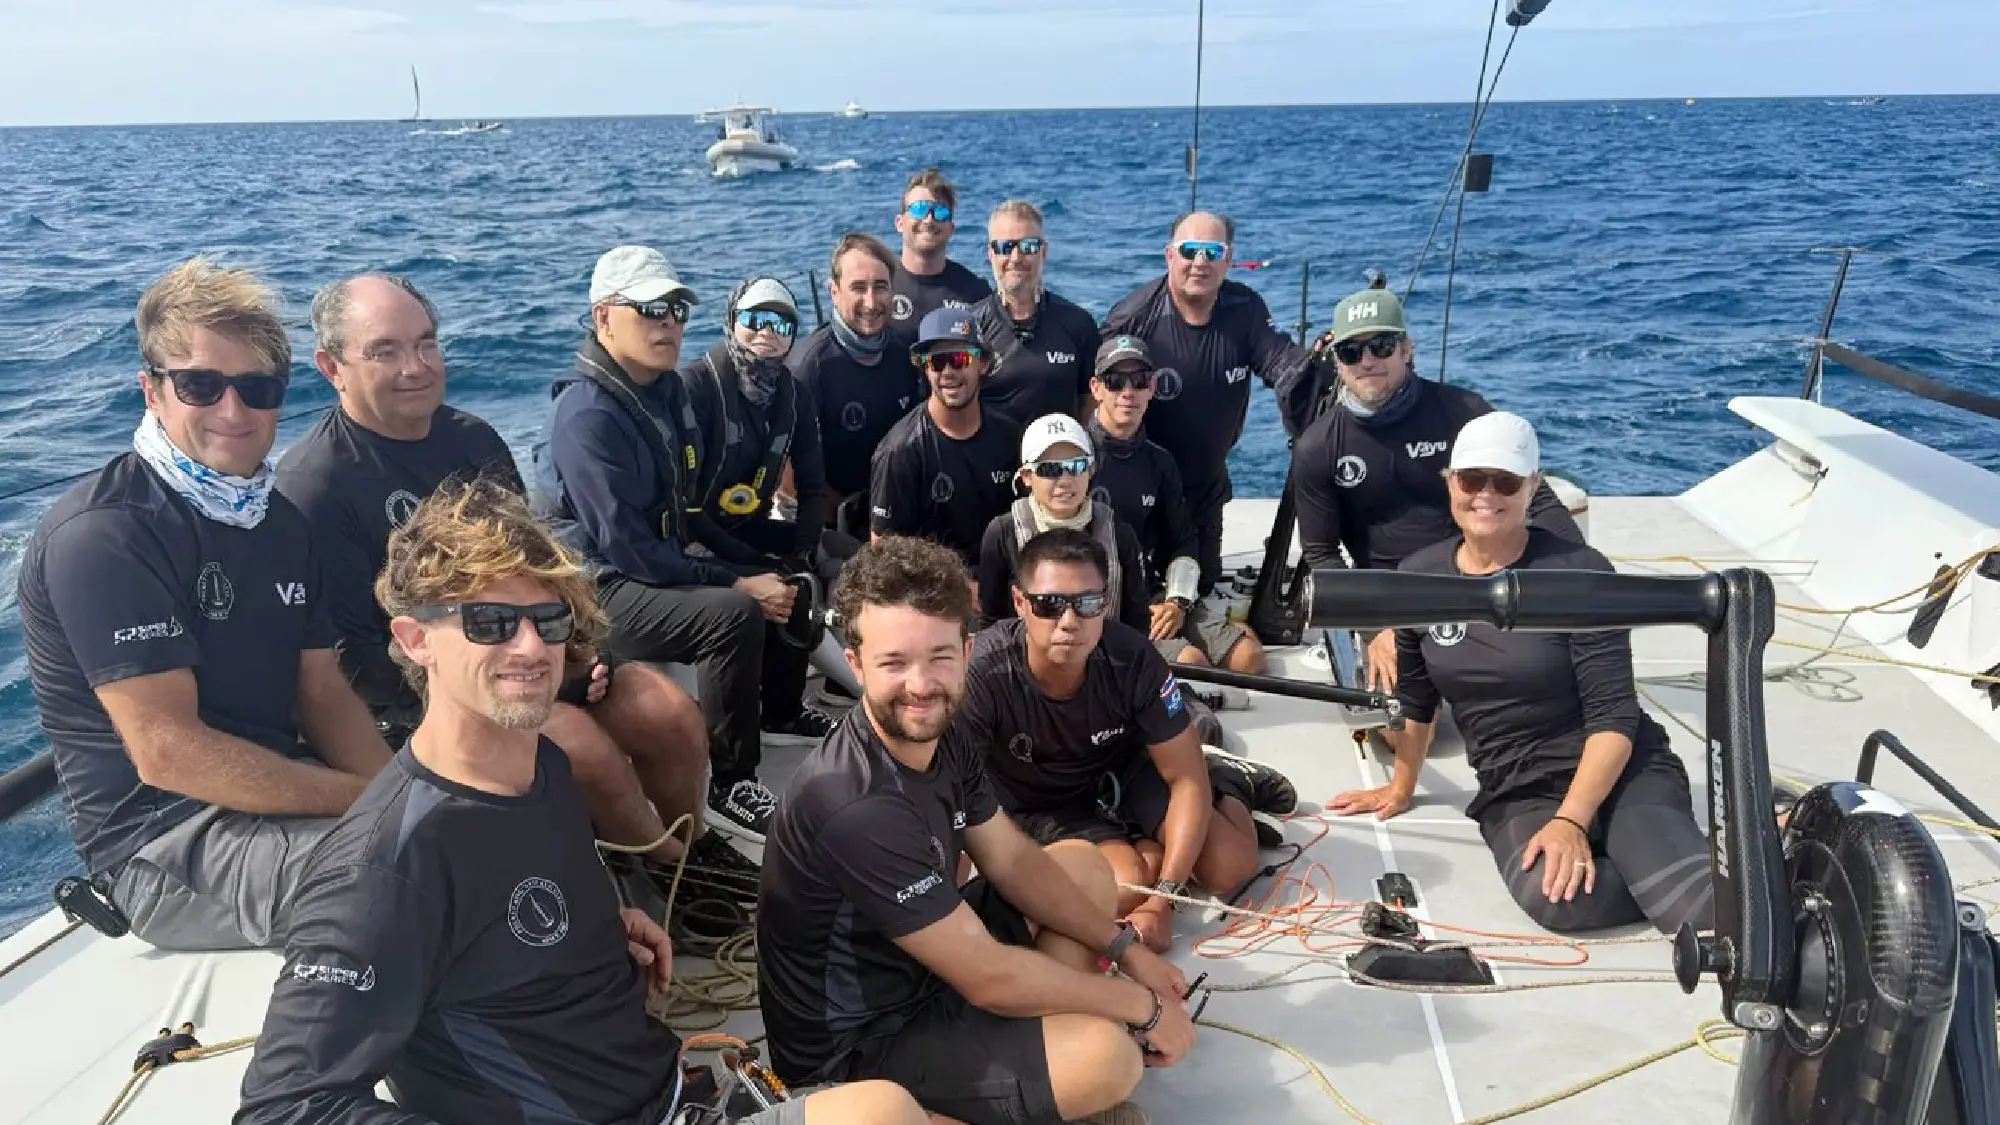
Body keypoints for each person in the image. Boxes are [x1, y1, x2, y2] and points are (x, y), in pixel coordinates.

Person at [235, 479, 929, 1125]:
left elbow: (504, 916)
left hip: (670, 1089)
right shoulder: (385, 869)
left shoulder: (541, 766)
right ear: (416, 640)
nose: (531, 645)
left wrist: (594, 931)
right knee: (886, 1111)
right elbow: (286, 1106)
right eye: (489, 621)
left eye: (548, 618)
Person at [274, 272, 751, 891]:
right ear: (331, 367)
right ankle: (674, 875)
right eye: (384, 351)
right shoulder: (316, 486)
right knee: (578, 742)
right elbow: (353, 665)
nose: (416, 366)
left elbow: (542, 574)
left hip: (527, 652)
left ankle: (692, 842)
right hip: (426, 699)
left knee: (668, 714)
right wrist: (504, 682)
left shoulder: (473, 439)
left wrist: (579, 651)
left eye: (426, 343)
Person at [16, 257, 392, 951]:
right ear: (151, 391)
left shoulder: (279, 522)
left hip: (283, 790)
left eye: (257, 387)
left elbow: (323, 691)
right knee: (413, 876)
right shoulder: (105, 535)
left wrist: (397, 792)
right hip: (166, 844)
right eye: (200, 384)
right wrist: (364, 803)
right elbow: (168, 753)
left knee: (478, 815)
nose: (233, 410)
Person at [758, 535, 1195, 1125]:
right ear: (856, 666)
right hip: (863, 1041)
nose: (921, 685)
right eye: (894, 663)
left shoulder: (944, 731)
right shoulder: (856, 804)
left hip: (931, 970)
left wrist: (1124, 950)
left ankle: (1021, 1076)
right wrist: (1140, 1006)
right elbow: (988, 978)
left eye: (939, 657)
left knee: (1080, 865)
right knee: (1109, 1059)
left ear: (966, 652)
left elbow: (1013, 860)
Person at [1329, 413, 1713, 936]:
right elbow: (1418, 702)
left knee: (1692, 908)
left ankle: (1699, 864)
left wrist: (1572, 820)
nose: (1486, 495)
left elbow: (1614, 716)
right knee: (1560, 904)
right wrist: (1400, 787)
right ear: (1450, 484)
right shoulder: (1420, 579)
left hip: (1621, 770)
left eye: (1506, 481)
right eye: (1471, 480)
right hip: (1516, 786)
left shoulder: (1582, 573)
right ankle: (1676, 863)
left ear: (1534, 488)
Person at [532, 245, 798, 844]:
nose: (670, 322)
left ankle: (782, 715)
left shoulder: (666, 392)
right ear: (603, 318)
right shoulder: (588, 418)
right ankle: (732, 785)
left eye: (677, 308)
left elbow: (687, 510)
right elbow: (627, 551)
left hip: (649, 558)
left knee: (780, 568)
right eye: (651, 308)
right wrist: (732, 582)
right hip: (598, 590)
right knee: (733, 616)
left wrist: (748, 563)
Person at [960, 529, 1294, 954]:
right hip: (1040, 801)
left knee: (1229, 868)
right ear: (1020, 602)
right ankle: (1148, 849)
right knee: (1120, 889)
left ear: (1105, 603)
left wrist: (1164, 900)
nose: (1069, 622)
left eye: (1087, 604)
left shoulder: (1133, 657)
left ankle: (1230, 783)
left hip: (1126, 768)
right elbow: (957, 800)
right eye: (1049, 605)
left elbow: (1186, 779)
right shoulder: (982, 676)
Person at [1290, 281, 1582, 691]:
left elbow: (1539, 501)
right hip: (1389, 598)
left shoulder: (1463, 412)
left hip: (1477, 581)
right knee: (1399, 721)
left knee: (1534, 685)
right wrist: (1374, 631)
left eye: (1382, 346)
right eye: (1352, 351)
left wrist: (1587, 572)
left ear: (1407, 349)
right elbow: (1321, 553)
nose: (1368, 361)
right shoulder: (1316, 447)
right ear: (1338, 362)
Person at [1099, 212, 1318, 594]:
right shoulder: (1132, 317)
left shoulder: (1245, 308)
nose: (1200, 262)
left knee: (1199, 588)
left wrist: (1315, 376)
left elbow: (1282, 364)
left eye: (1212, 251)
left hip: (1205, 486)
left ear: (1228, 260)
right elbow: (1092, 393)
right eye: (1190, 250)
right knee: (1129, 590)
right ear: (1169, 256)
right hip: (1137, 484)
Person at [677, 274, 849, 738]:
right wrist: (757, 566)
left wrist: (803, 548)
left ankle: (789, 708)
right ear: (732, 322)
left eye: (781, 323)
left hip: (747, 524)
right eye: (754, 320)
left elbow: (813, 488)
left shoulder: (794, 396)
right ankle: (758, 718)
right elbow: (682, 502)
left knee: (832, 564)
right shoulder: (695, 388)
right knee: (777, 582)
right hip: (690, 536)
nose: (766, 333)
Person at [1085, 335, 1266, 675]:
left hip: (1156, 595)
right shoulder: (1075, 457)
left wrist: (1177, 601)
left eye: (1139, 380)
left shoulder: (1160, 462)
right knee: (1192, 666)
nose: (1128, 391)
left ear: (1152, 388)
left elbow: (1183, 541)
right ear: (1096, 388)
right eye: (1115, 381)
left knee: (1251, 659)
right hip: (1102, 606)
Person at [869, 307, 1024, 570]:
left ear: (983, 364)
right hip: (933, 592)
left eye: (960, 358)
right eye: (937, 362)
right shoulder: (899, 451)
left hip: (1001, 581)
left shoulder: (1010, 435)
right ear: (925, 369)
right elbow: (884, 551)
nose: (948, 371)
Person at [791, 233, 920, 540]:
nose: (871, 302)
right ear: (834, 292)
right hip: (835, 523)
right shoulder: (809, 366)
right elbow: (788, 470)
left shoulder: (906, 352)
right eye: (858, 288)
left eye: (880, 287)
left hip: (900, 513)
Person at [976, 413, 1148, 632]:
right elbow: (991, 621)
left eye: (1076, 466)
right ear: (1027, 476)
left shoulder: (1118, 532)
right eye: (1050, 469)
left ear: (1091, 469)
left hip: (1104, 657)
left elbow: (1137, 622)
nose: (1065, 480)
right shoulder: (1002, 533)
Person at [971, 200, 1100, 423]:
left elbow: (1091, 404)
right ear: (990, 253)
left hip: (1058, 456)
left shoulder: (1078, 324)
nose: (1016, 258)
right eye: (1004, 247)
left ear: (1044, 252)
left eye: (1028, 246)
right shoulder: (972, 326)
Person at [888, 167, 991, 345]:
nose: (929, 220)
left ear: (951, 228)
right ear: (900, 223)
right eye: (919, 209)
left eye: (940, 212)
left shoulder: (976, 292)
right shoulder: (879, 286)